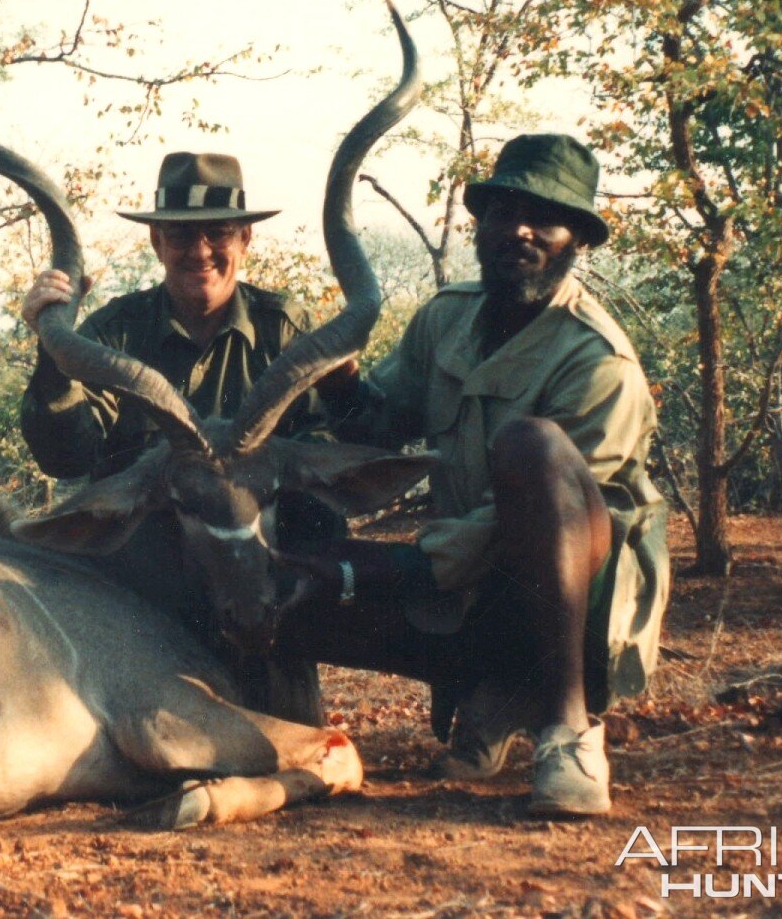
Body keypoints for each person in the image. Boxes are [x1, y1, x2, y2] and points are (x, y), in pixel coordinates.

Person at [286, 133, 670, 818]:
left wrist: (376, 570)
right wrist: (338, 385)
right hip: (469, 592)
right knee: (278, 579)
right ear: (480, 224)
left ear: (576, 238)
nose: (519, 230)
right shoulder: (447, 318)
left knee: (532, 449)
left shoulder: (599, 361)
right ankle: (490, 691)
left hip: (573, 615)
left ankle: (567, 731)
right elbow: (382, 426)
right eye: (503, 212)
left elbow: (521, 531)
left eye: (544, 219)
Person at [19, 151, 340, 721]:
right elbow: (66, 456)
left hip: (256, 583)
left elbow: (331, 452)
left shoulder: (283, 326)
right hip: (145, 586)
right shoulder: (114, 329)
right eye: (180, 236)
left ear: (245, 239)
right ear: (156, 244)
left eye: (217, 233)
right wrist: (51, 356)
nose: (199, 252)